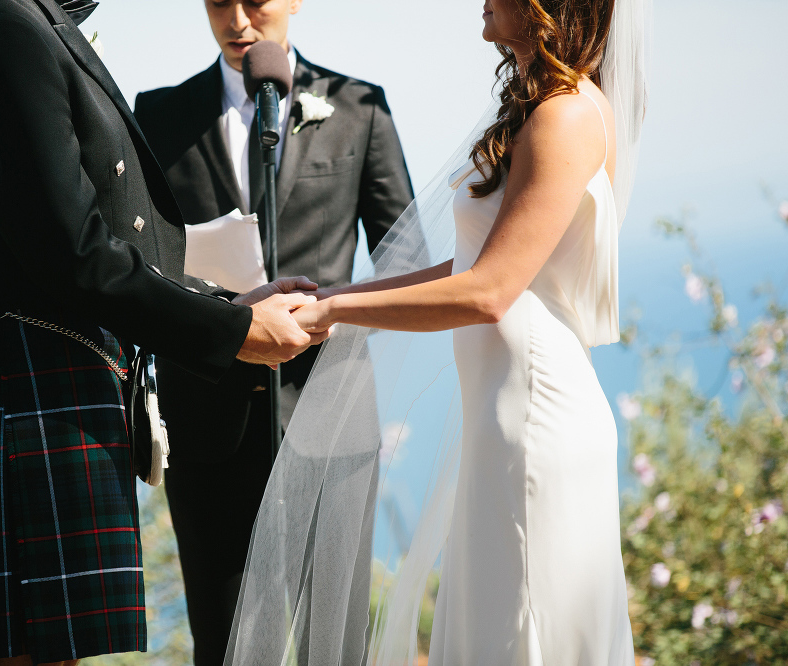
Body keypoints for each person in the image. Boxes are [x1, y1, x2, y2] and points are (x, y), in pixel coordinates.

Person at [0, 0, 328, 664]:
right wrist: (230, 328)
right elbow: (74, 252)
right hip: (23, 399)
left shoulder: (24, 21)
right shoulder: (2, 25)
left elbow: (106, 240)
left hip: (40, 395)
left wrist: (228, 304)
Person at [227, 0, 650, 662]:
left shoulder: (566, 116)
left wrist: (332, 316)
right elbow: (470, 266)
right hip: (504, 416)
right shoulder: (546, 109)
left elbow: (488, 292)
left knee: (523, 631)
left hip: (536, 420)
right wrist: (329, 296)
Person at [132, 1, 413, 662]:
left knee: (335, 647)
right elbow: (138, 266)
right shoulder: (158, 115)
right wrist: (226, 311)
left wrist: (326, 308)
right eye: (218, 2)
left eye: (255, 0)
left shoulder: (360, 108)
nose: (237, 20)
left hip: (332, 420)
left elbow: (406, 260)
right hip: (209, 425)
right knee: (227, 649)